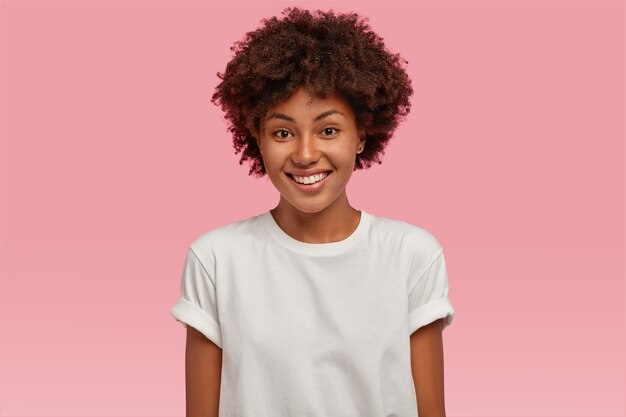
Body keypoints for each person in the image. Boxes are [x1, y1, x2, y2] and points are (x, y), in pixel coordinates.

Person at [170, 7, 455, 417]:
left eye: (328, 130)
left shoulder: (412, 256)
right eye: (282, 132)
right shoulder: (216, 260)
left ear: (361, 135)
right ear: (257, 137)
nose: (305, 154)